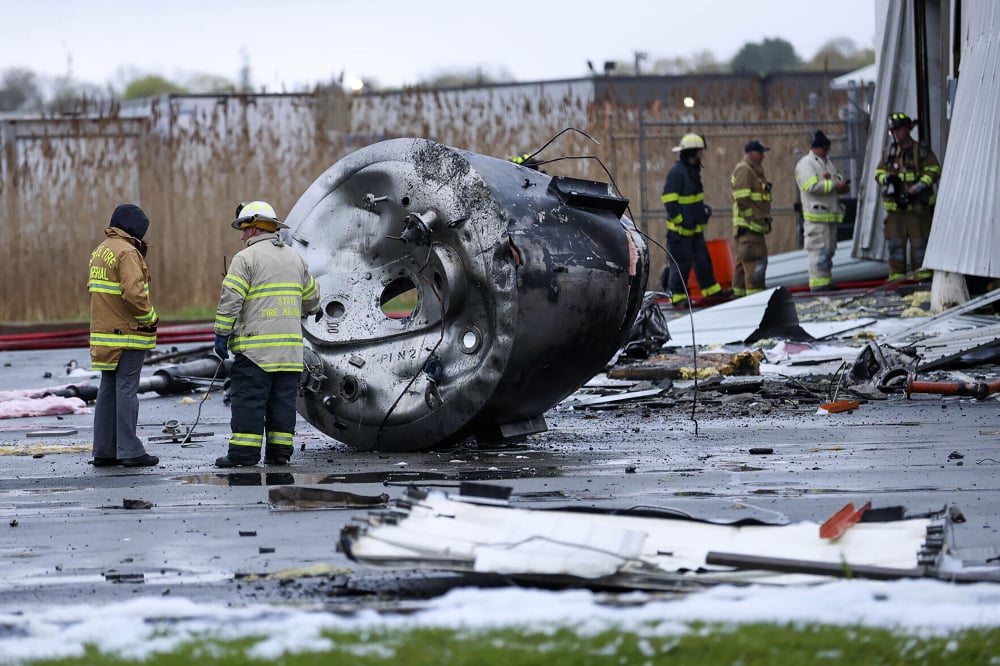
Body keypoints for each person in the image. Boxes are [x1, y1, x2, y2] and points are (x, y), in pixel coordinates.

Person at [213, 201, 321, 468]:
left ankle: (243, 454)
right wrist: (307, 309)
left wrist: (222, 333)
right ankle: (279, 453)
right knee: (282, 403)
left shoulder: (245, 259)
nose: (241, 236)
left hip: (256, 352)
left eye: (243, 229)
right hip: (290, 352)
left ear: (252, 229)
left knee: (249, 401)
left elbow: (231, 299)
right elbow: (312, 299)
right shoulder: (294, 258)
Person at [87, 204, 160, 468]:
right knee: (127, 389)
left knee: (107, 389)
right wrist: (150, 318)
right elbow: (133, 294)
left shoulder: (100, 250)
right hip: (127, 334)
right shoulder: (127, 252)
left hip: (104, 335)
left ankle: (104, 450)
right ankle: (130, 450)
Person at [660, 133, 729, 307]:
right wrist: (681, 221)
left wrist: (702, 212)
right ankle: (678, 298)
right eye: (700, 151)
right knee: (681, 265)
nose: (702, 154)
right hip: (680, 232)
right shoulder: (677, 173)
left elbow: (692, 200)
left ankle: (712, 292)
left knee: (703, 262)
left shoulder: (692, 171)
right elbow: (669, 200)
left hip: (694, 230)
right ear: (694, 152)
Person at [874, 112, 941, 281]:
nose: (895, 134)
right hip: (895, 212)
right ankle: (896, 280)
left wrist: (917, 188)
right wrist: (887, 178)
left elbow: (934, 171)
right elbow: (878, 173)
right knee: (895, 247)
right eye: (893, 131)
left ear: (907, 129)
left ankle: (923, 278)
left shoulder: (922, 151)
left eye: (898, 130)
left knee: (920, 246)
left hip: (917, 209)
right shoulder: (889, 153)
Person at [794, 130, 851, 291]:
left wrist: (841, 186)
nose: (827, 152)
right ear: (816, 148)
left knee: (828, 253)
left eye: (828, 149)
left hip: (828, 216)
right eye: (824, 149)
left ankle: (825, 283)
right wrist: (834, 185)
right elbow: (810, 186)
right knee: (818, 254)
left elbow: (836, 179)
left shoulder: (827, 163)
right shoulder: (807, 164)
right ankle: (818, 286)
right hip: (816, 219)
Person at [730, 140, 773, 296]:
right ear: (751, 154)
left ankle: (739, 297)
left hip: (750, 230)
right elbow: (742, 199)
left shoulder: (754, 171)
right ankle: (756, 299)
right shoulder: (745, 170)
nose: (763, 156)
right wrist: (753, 219)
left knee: (742, 268)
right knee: (756, 268)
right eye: (760, 153)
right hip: (750, 230)